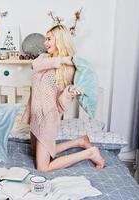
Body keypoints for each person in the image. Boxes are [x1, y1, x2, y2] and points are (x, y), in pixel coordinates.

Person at [22, 24, 105, 172]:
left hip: (47, 118)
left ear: (59, 40)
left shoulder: (69, 70)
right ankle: (80, 141)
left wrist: (70, 93)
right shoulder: (43, 58)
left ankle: (90, 153)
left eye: (49, 39)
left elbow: (62, 104)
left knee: (43, 167)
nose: (45, 42)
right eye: (45, 39)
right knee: (38, 151)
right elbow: (34, 65)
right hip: (35, 116)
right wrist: (61, 59)